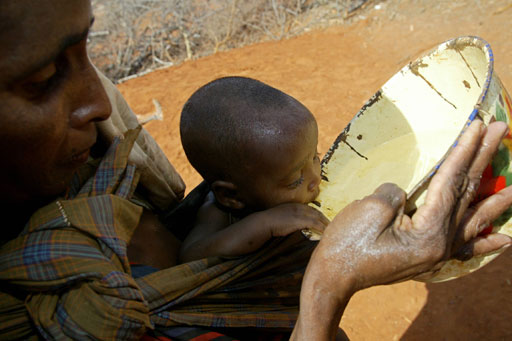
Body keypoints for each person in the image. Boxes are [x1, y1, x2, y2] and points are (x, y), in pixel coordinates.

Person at [1, 1, 511, 340]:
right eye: (44, 78)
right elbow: (200, 255)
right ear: (231, 197)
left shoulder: (95, 163)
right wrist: (327, 281)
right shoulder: (215, 219)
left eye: (89, 50)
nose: (100, 102)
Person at [178, 76, 329, 263]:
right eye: (295, 180)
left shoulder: (282, 168)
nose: (315, 179)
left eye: (315, 156)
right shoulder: (217, 212)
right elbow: (190, 255)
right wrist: (265, 223)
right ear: (230, 197)